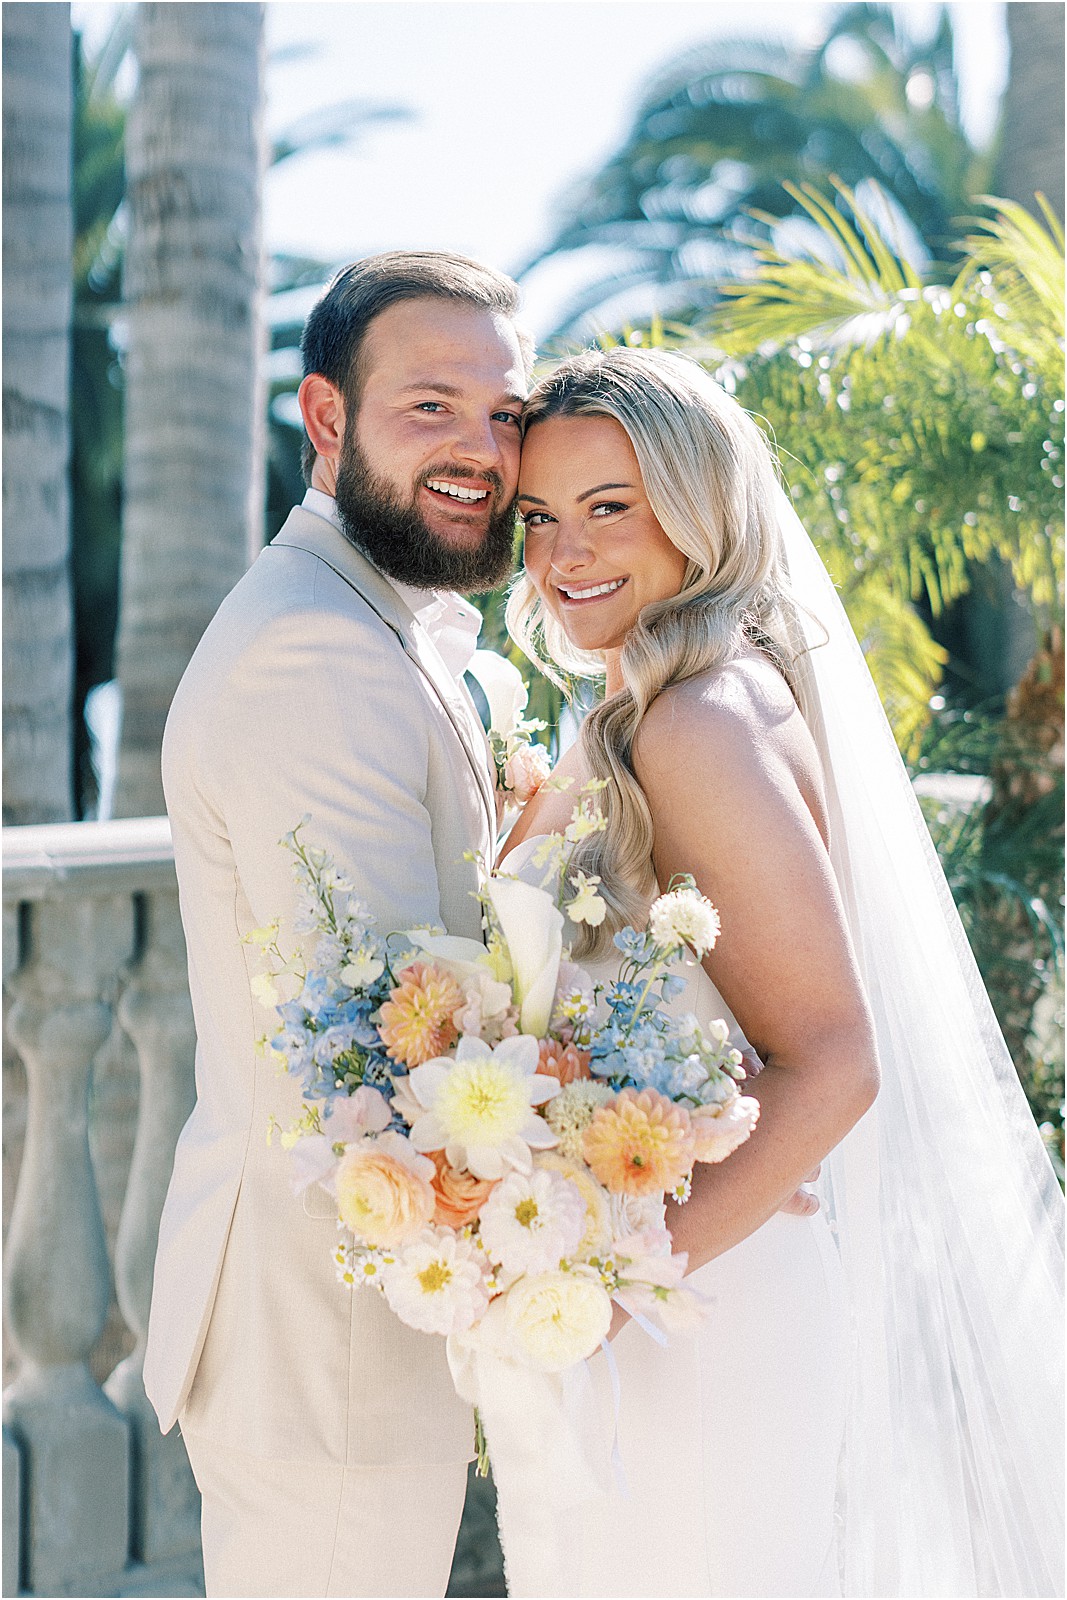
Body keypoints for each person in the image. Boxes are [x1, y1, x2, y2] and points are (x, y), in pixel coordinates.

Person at [492, 346, 1064, 1598]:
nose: (561, 554)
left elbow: (835, 1058)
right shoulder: (655, 707)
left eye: (608, 509)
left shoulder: (696, 722)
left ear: (696, 516)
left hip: (697, 1315)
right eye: (538, 517)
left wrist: (600, 1279)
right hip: (659, 1300)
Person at [142, 251, 532, 1599]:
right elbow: (396, 1032)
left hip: (353, 1329)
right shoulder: (314, 653)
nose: (479, 451)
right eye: (429, 407)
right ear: (324, 418)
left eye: (502, 415)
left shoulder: (378, 624)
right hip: (323, 1345)